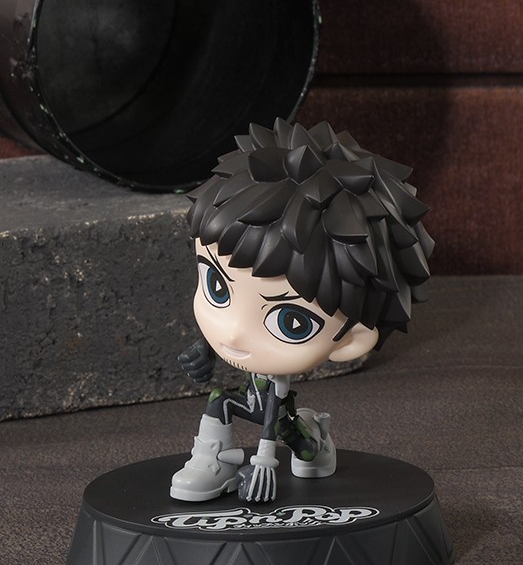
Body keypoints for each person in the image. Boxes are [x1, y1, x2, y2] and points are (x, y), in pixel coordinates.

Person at [170, 118, 433, 503]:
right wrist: (203, 351)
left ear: (353, 340)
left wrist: (264, 461)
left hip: (275, 409)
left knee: (301, 447)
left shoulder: (283, 379)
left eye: (291, 321)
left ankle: (315, 436)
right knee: (218, 401)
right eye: (216, 286)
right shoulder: (232, 334)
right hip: (250, 394)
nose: (234, 333)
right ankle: (214, 458)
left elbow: (269, 424)